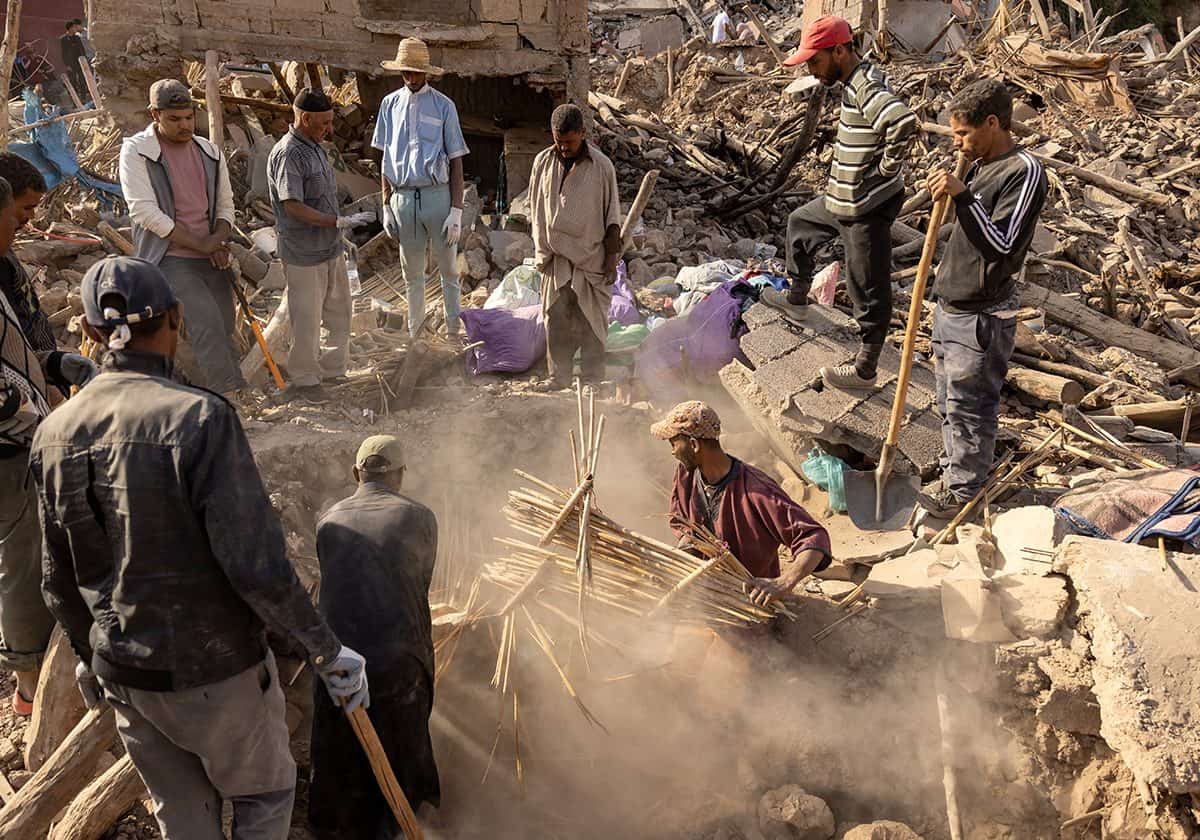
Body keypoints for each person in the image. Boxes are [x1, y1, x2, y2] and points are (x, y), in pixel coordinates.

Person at [29, 256, 370, 840]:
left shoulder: (54, 431)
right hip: (216, 669)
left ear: (87, 333)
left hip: (127, 672)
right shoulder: (199, 419)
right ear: (178, 318)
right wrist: (324, 648)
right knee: (264, 797)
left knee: (181, 813)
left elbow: (56, 577)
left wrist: (91, 658)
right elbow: (255, 565)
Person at [762, 16, 918, 391]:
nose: (813, 71)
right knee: (801, 223)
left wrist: (884, 168)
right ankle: (797, 296)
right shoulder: (850, 82)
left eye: (815, 62)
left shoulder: (865, 84)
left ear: (841, 50)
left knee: (867, 283)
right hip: (843, 199)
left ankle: (865, 370)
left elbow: (903, 122)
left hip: (865, 205)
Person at [918, 79, 1047, 517]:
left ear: (993, 123)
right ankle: (954, 472)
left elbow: (1004, 244)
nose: (957, 142)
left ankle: (963, 496)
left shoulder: (1024, 171)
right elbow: (969, 231)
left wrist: (963, 196)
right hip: (952, 306)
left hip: (982, 316)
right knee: (948, 402)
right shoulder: (977, 164)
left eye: (963, 133)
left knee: (970, 406)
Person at [309, 435, 440, 839]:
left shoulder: (328, 519)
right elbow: (419, 584)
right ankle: (399, 825)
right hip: (401, 661)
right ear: (400, 476)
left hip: (337, 661)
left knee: (338, 751)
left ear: (355, 474)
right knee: (404, 747)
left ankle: (335, 828)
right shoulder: (420, 517)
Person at [0, 174, 94, 717]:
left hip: (28, 432)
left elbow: (23, 347)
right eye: (19, 213)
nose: (26, 224)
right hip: (8, 448)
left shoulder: (5, 267)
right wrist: (42, 419)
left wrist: (54, 367)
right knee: (22, 555)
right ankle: (30, 681)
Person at [118, 78, 246, 396]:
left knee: (226, 324)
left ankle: (237, 389)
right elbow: (144, 212)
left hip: (211, 253)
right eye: (174, 119)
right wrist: (202, 244)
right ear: (154, 115)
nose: (185, 125)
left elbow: (225, 206)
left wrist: (217, 240)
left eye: (189, 117)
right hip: (169, 257)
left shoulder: (209, 152)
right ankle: (227, 394)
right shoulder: (137, 152)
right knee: (206, 323)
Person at [652, 401, 832, 606]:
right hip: (703, 596)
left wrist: (784, 582)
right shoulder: (686, 474)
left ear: (694, 445)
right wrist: (681, 554)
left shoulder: (757, 490)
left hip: (747, 604)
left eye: (674, 443)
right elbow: (684, 524)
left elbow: (813, 537)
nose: (673, 451)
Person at [268, 88, 372, 403]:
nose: (329, 129)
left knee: (339, 313)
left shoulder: (315, 147)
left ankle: (332, 372)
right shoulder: (289, 153)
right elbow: (292, 206)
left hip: (329, 248)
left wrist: (339, 234)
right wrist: (336, 223)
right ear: (305, 118)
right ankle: (305, 381)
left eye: (331, 122)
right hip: (303, 253)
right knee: (307, 319)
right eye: (324, 122)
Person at [373, 38, 469, 341]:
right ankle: (416, 334)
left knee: (449, 270)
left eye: (416, 73)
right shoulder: (389, 104)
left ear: (426, 72)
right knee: (412, 273)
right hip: (402, 197)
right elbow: (384, 157)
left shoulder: (444, 106)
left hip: (436, 196)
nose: (411, 79)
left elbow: (456, 160)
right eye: (406, 73)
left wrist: (456, 210)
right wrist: (386, 203)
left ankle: (453, 330)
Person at [530, 103, 622, 389]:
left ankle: (592, 379)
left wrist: (610, 261)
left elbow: (612, 218)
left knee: (590, 320)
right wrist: (541, 251)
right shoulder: (542, 162)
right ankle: (559, 378)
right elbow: (536, 210)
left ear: (583, 133)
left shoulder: (602, 167)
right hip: (556, 258)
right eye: (558, 142)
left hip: (590, 257)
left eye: (569, 142)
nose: (564, 148)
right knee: (557, 318)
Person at [59, 20, 87, 101]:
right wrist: (67, 65)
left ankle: (83, 99)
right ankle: (74, 101)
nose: (76, 29)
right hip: (71, 64)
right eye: (74, 27)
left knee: (82, 81)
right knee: (73, 82)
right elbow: (63, 53)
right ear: (70, 28)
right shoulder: (63, 39)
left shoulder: (77, 38)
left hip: (80, 63)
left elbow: (82, 50)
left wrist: (84, 60)